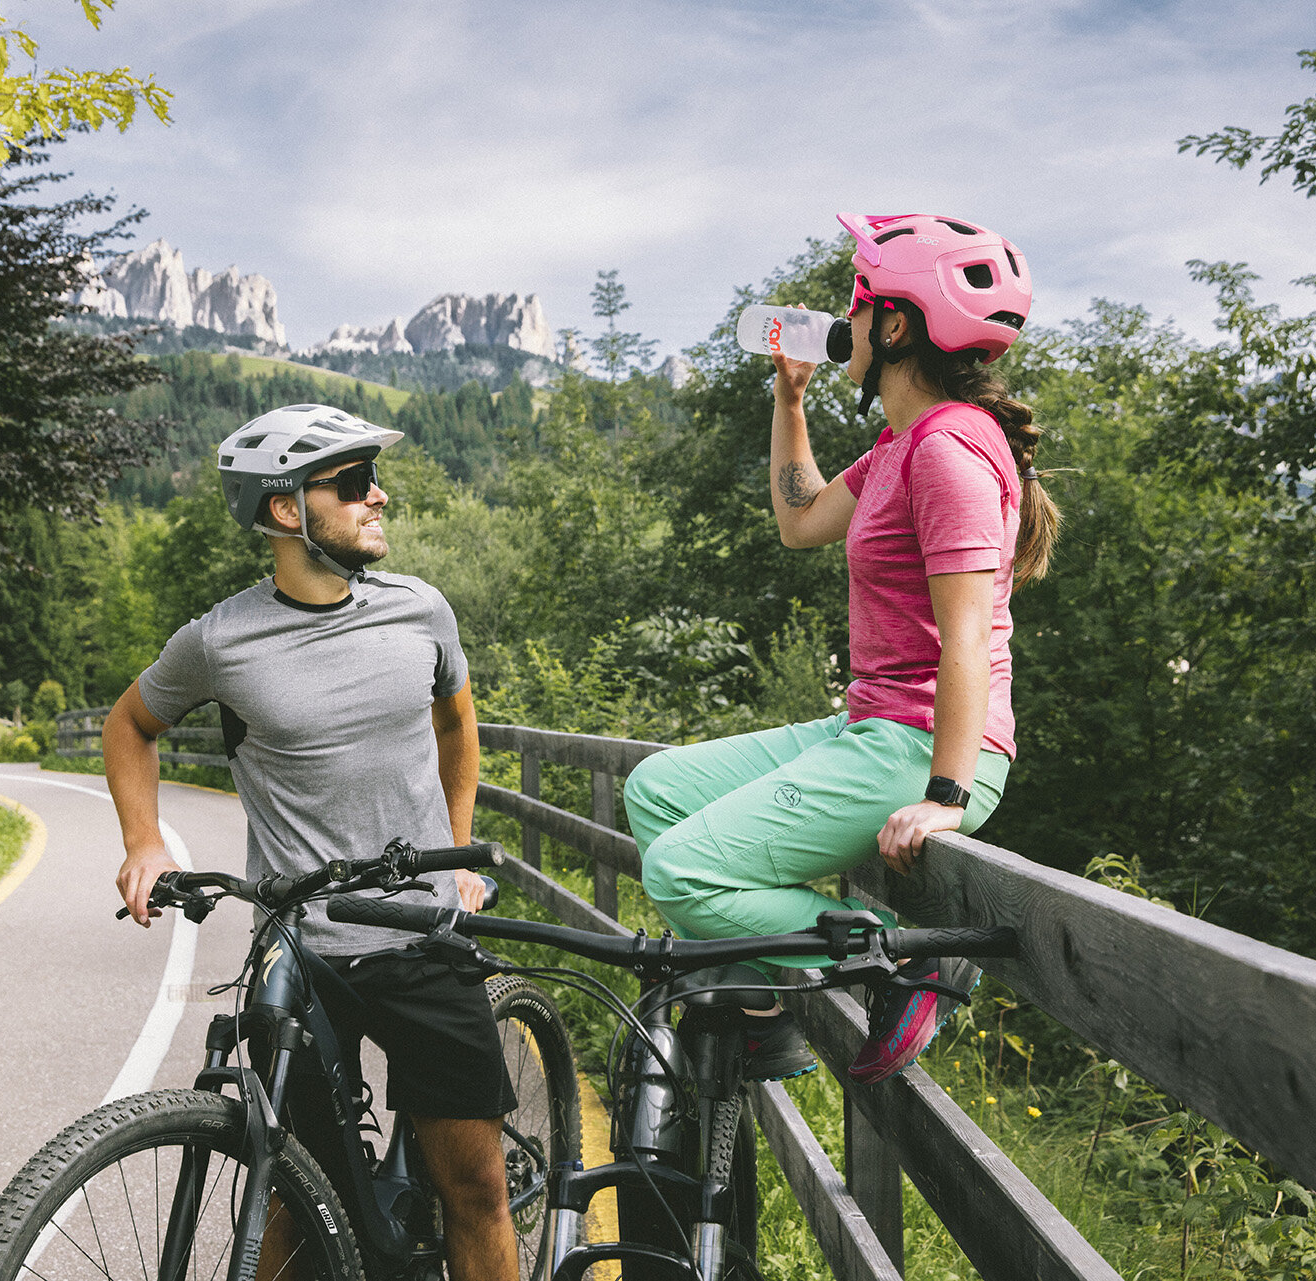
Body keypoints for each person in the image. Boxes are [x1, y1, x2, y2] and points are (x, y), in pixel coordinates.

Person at [625, 212, 1061, 1085]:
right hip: (873, 726)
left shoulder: (948, 453)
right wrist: (789, 400)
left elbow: (968, 640)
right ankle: (759, 1011)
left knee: (682, 871)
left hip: (929, 747)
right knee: (655, 791)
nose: (843, 322)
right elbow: (799, 519)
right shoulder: (898, 446)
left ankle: (900, 959)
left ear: (894, 326)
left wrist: (946, 791)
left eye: (857, 305)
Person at [102, 404, 518, 1281]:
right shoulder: (219, 641)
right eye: (353, 483)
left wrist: (457, 844)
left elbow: (457, 721)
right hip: (301, 952)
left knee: (475, 1184)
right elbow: (129, 724)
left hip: (420, 935)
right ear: (287, 510)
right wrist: (144, 841)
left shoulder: (420, 608)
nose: (379, 495)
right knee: (294, 1197)